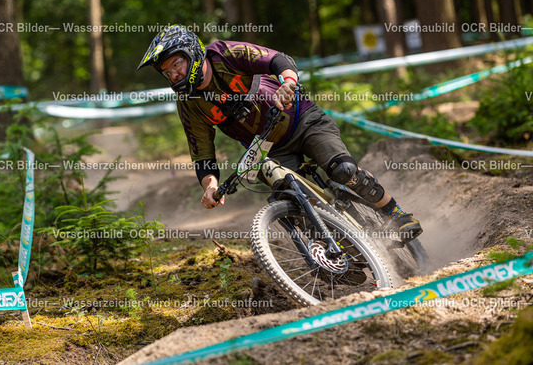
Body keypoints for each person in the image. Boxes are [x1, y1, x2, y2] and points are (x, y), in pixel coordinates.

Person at [137, 24, 423, 240]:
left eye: (176, 64)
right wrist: (209, 187)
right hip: (268, 149)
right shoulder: (189, 103)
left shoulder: (225, 53)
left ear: (192, 53)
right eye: (167, 72)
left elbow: (277, 60)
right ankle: (338, 251)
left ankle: (396, 213)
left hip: (303, 120)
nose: (173, 75)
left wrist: (288, 83)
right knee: (290, 203)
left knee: (343, 170)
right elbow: (202, 155)